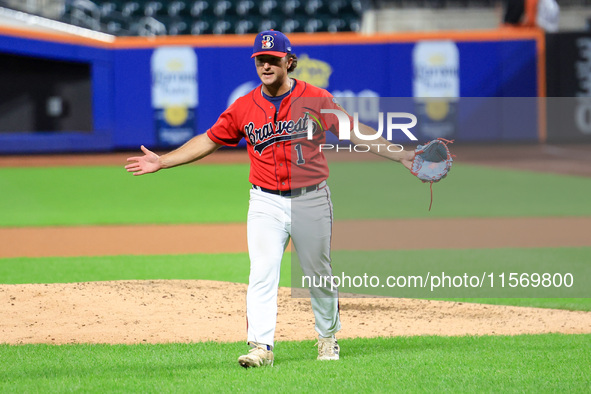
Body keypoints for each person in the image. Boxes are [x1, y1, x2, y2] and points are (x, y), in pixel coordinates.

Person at [125, 30, 415, 368]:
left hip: (311, 199)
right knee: (262, 272)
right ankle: (261, 346)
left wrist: (401, 155)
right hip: (265, 202)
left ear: (288, 62)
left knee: (317, 274)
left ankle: (327, 338)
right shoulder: (244, 107)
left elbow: (354, 130)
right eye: (260, 59)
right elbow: (209, 140)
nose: (265, 64)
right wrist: (163, 161)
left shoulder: (317, 98)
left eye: (273, 59)